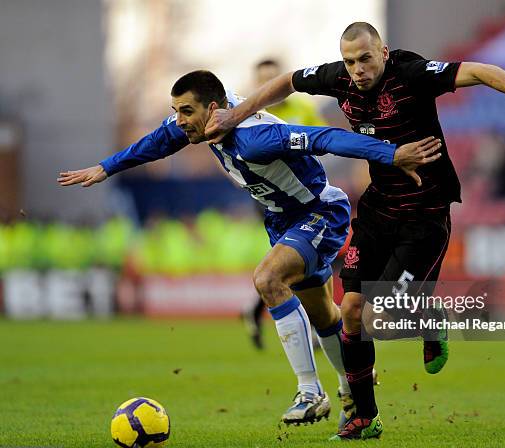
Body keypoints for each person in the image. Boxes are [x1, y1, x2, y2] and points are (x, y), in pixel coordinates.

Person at [204, 22, 505, 440]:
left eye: (365, 59)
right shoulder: (339, 78)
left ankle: (427, 315)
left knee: (376, 315)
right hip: (377, 211)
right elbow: (288, 81)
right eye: (350, 61)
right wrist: (236, 115)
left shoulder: (412, 74)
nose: (357, 70)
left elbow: (477, 70)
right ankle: (365, 418)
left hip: (424, 215)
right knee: (350, 310)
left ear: (383, 53)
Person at [57, 69, 441, 429]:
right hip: (282, 222)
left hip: (319, 212)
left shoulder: (255, 138)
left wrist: (391, 154)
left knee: (268, 279)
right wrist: (106, 168)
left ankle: (310, 391)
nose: (178, 120)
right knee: (326, 318)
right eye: (175, 111)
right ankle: (355, 385)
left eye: (185, 111)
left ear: (213, 109)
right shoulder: (197, 125)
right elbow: (156, 144)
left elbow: (324, 138)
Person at [243, 58, 328, 350]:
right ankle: (319, 326)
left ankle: (256, 313)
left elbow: (323, 140)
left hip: (307, 193)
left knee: (295, 263)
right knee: (291, 262)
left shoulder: (303, 109)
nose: (267, 84)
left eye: (272, 78)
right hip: (272, 198)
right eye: (262, 79)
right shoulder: (251, 113)